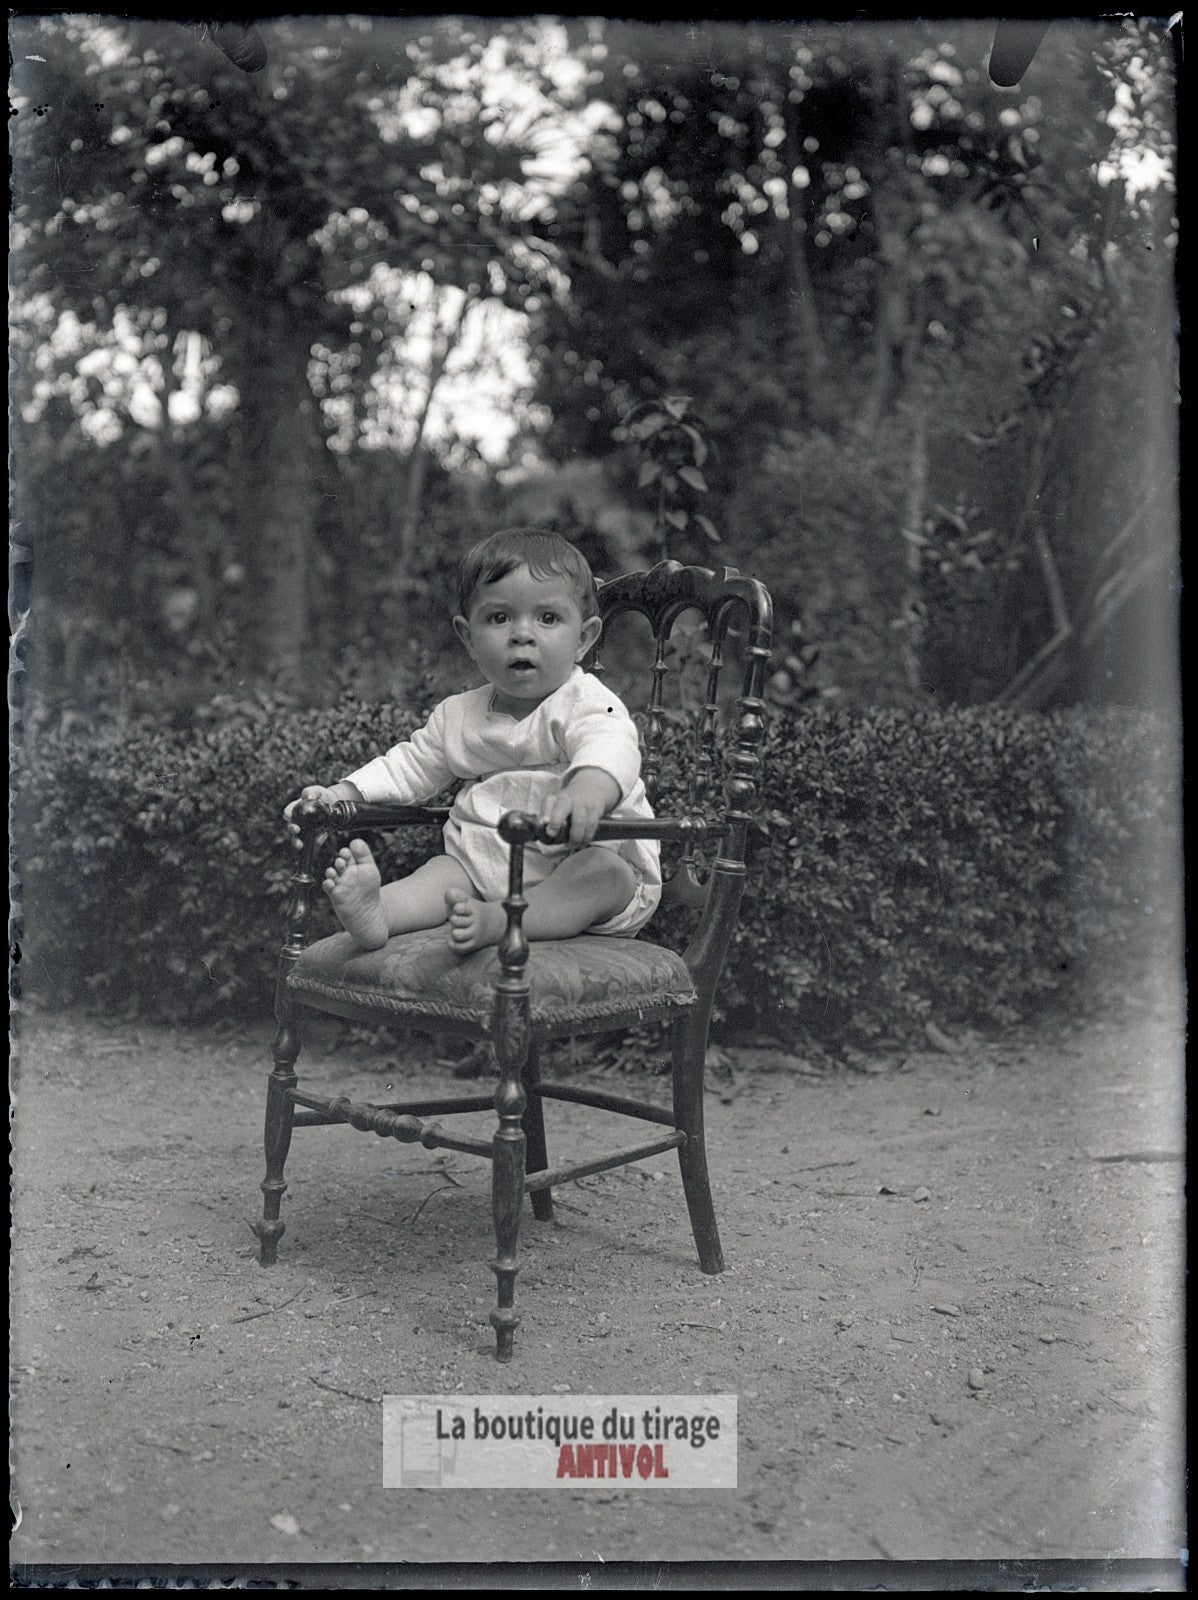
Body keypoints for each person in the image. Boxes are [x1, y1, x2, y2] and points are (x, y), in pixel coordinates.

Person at [285, 529, 661, 956]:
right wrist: (342, 793)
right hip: (486, 867)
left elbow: (610, 742)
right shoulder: (459, 714)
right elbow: (408, 766)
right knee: (443, 873)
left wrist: (587, 789)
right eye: (499, 618)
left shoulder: (584, 701)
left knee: (601, 872)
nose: (523, 634)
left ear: (584, 638)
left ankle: (506, 920)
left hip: (586, 862)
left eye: (548, 619)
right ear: (468, 638)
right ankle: (379, 910)